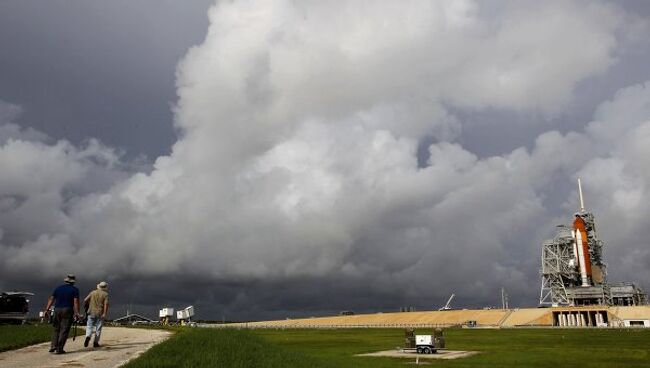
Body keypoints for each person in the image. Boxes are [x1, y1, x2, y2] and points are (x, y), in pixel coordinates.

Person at [43, 274, 81, 354]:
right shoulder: (75, 290)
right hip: (67, 309)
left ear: (66, 280)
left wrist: (46, 309)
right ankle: (59, 349)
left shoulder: (58, 288)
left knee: (56, 328)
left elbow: (51, 299)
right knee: (64, 329)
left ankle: (53, 346)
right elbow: (75, 302)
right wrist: (77, 313)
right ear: (73, 282)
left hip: (57, 309)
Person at [83, 281, 109, 348]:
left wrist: (87, 306)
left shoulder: (93, 292)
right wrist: (104, 313)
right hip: (100, 313)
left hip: (91, 311)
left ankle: (88, 336)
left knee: (89, 326)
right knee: (98, 328)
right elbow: (106, 304)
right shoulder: (105, 294)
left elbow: (85, 300)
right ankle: (95, 342)